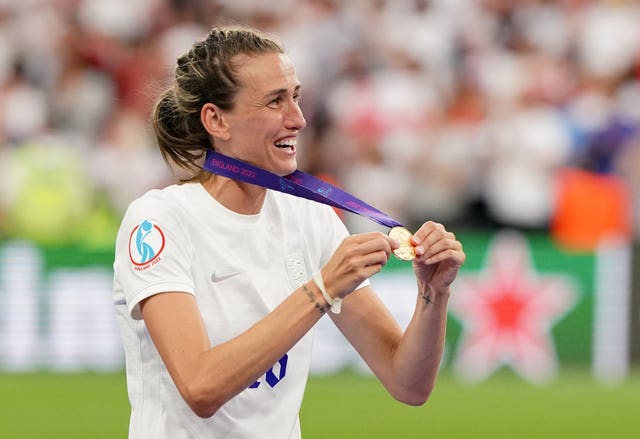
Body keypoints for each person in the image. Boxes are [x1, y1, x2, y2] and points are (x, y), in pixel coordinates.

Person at [113, 25, 466, 439]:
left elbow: (408, 383)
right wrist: (324, 287)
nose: (297, 119)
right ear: (216, 120)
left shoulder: (309, 218)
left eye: (295, 96)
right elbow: (201, 387)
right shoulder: (159, 220)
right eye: (274, 102)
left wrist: (433, 292)